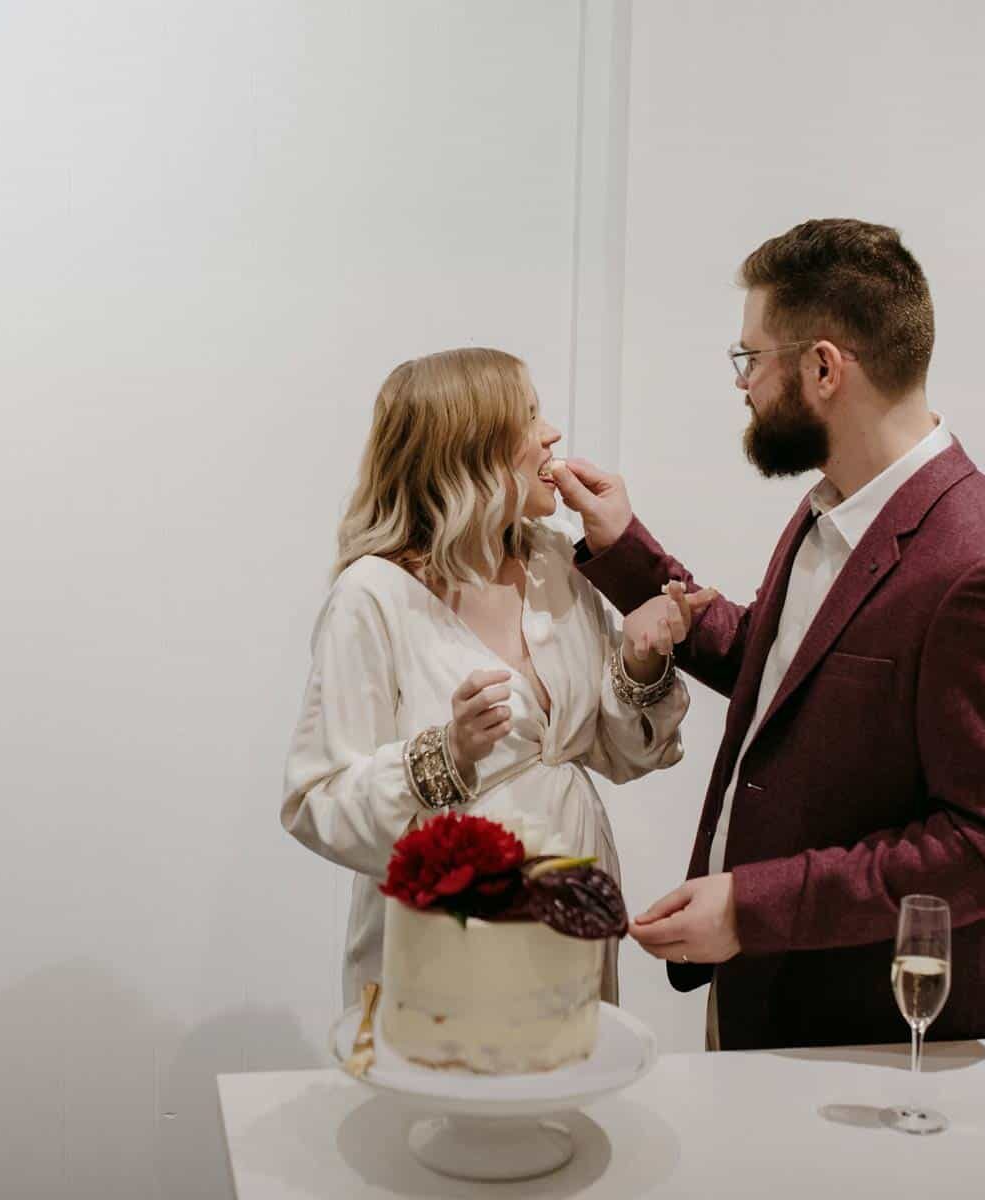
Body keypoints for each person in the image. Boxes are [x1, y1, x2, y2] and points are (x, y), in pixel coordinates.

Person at [552, 219, 985, 1050]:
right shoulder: (832, 508)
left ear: (824, 368)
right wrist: (626, 550)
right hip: (770, 993)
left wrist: (754, 906)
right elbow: (778, 668)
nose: (743, 385)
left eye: (749, 358)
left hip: (887, 1036)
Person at [282, 347, 707, 1008]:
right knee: (451, 1102)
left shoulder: (556, 561)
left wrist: (641, 659)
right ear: (468, 450)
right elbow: (317, 802)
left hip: (571, 924)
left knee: (560, 1099)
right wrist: (446, 755)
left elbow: (621, 756)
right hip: (444, 945)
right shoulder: (372, 596)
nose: (551, 435)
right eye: (529, 417)